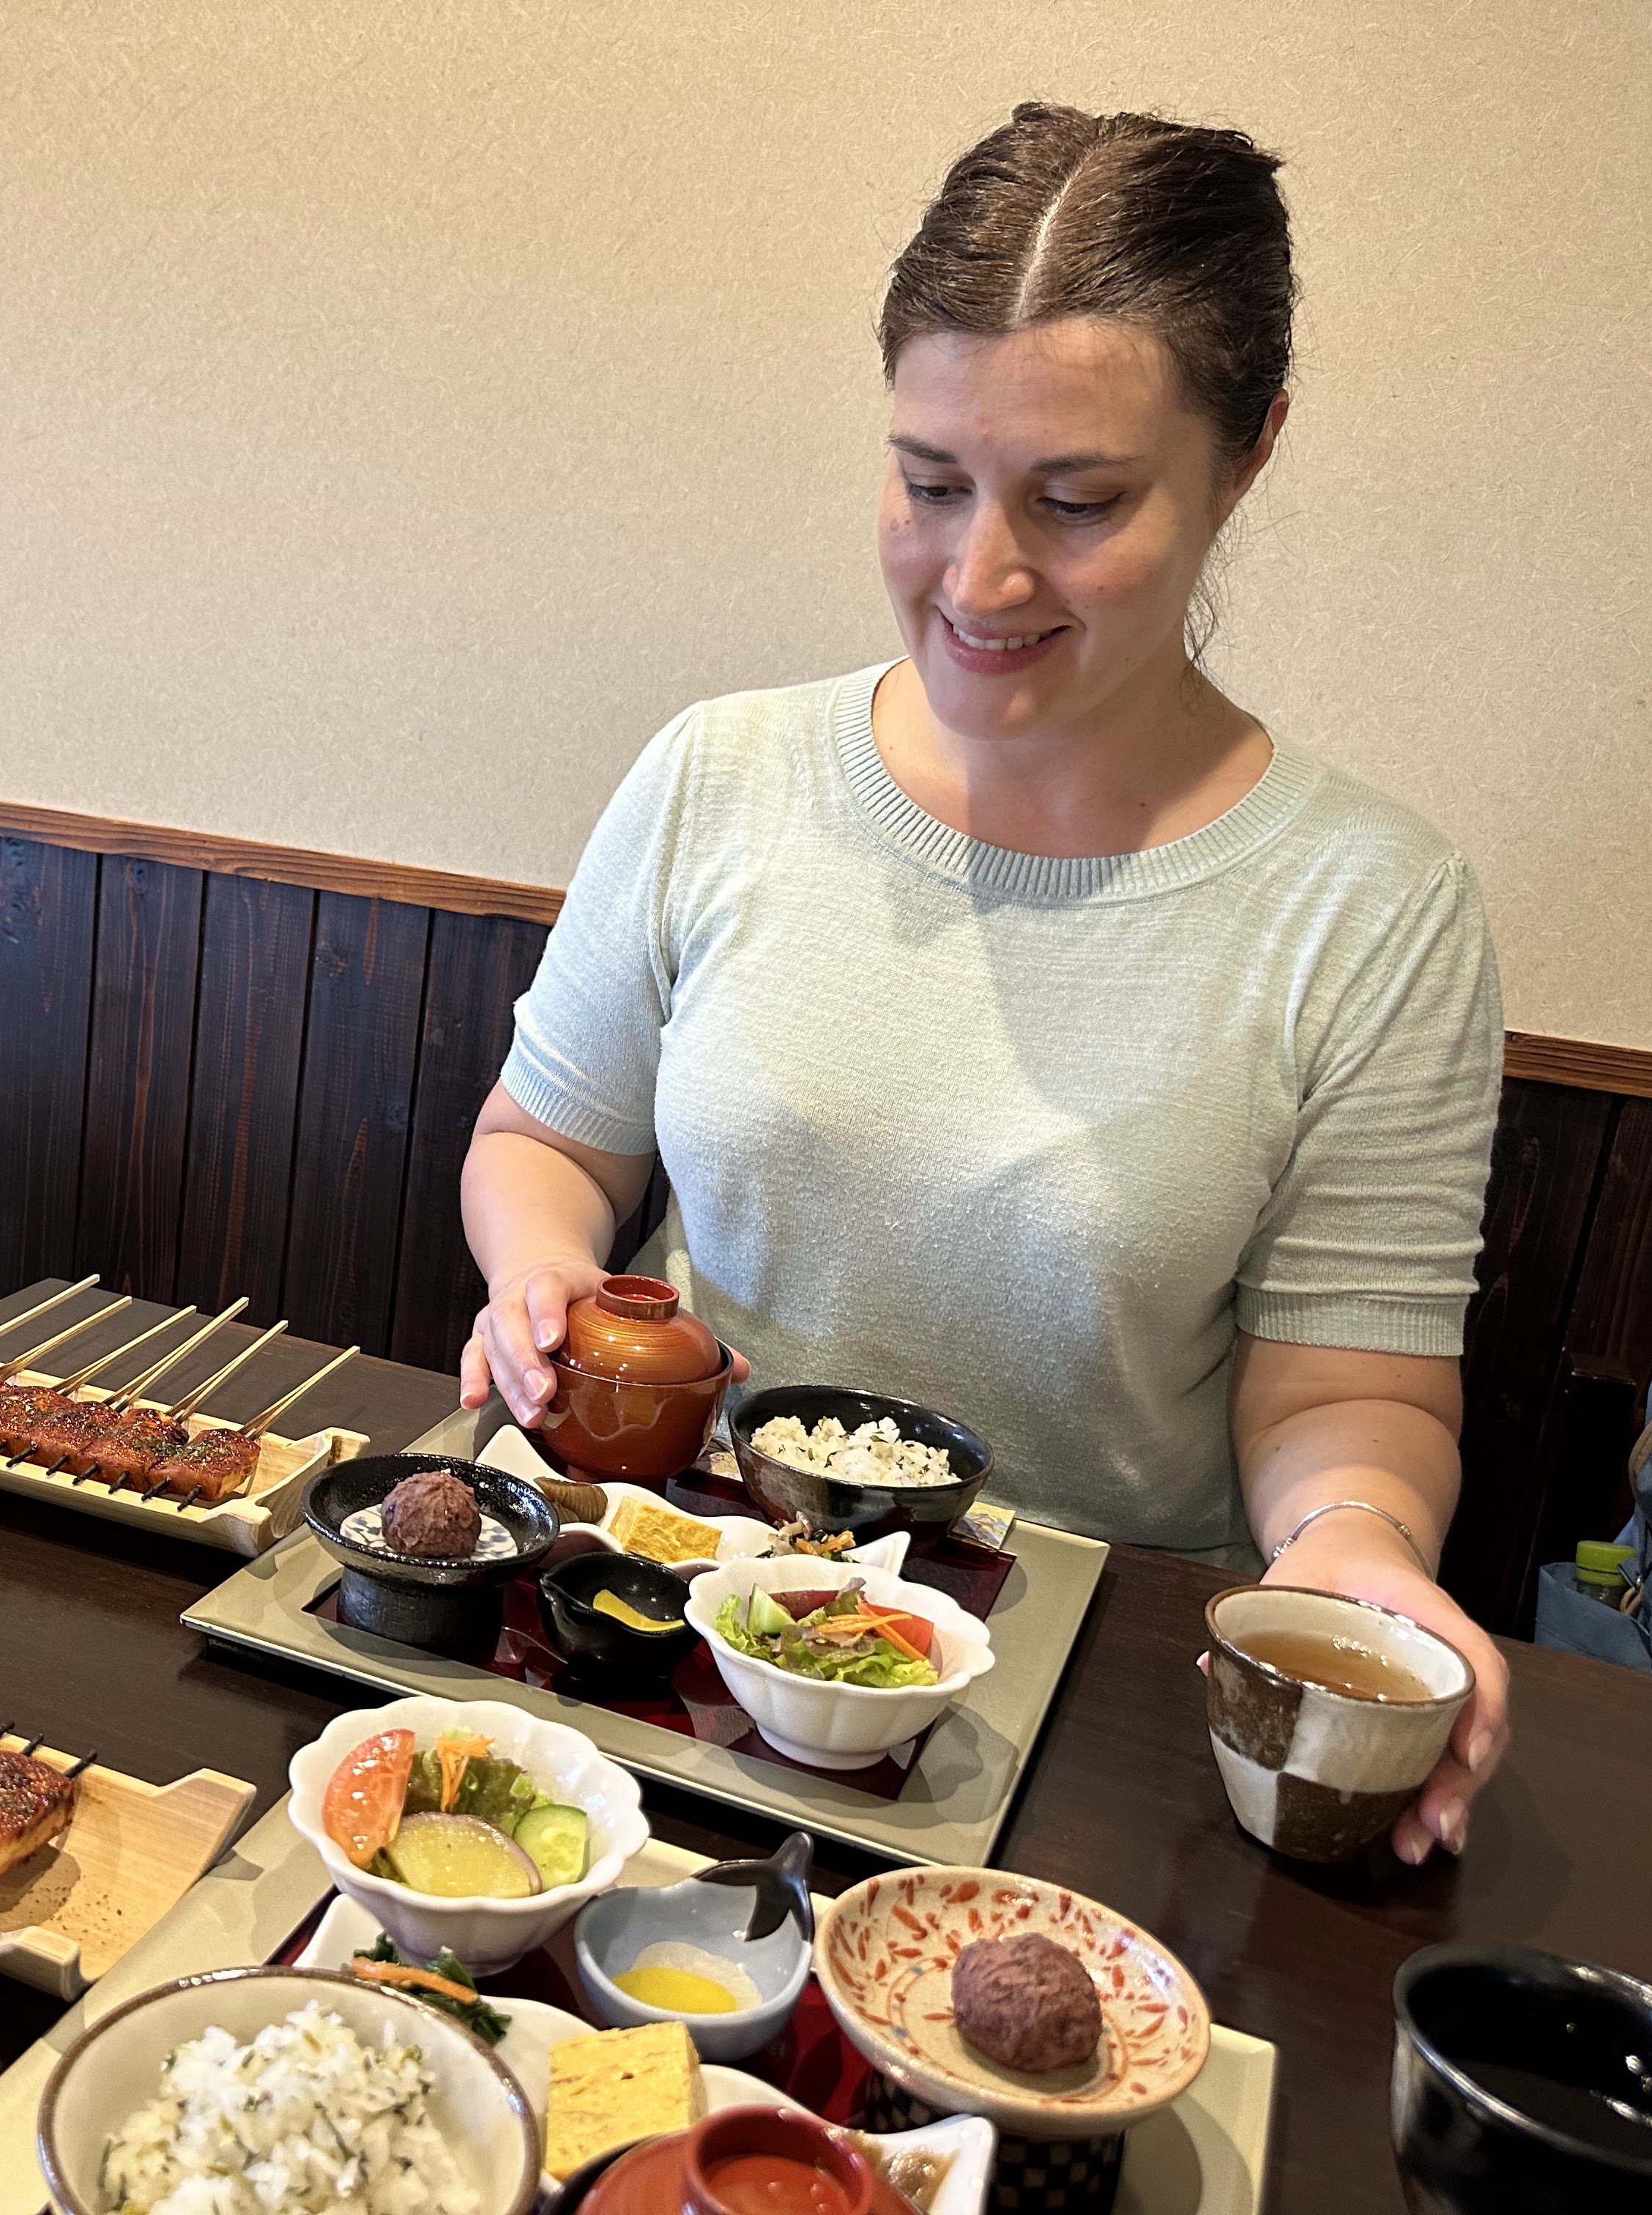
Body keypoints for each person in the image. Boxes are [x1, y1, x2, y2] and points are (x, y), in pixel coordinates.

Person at [457, 103, 1507, 1864]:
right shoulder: (722, 774)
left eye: (1077, 502)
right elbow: (545, 1140)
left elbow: (1355, 1396)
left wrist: (1354, 1544)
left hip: (1075, 1703)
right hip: (657, 1608)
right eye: (930, 482)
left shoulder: (1372, 907)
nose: (979, 576)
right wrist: (541, 1276)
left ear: (1248, 454)